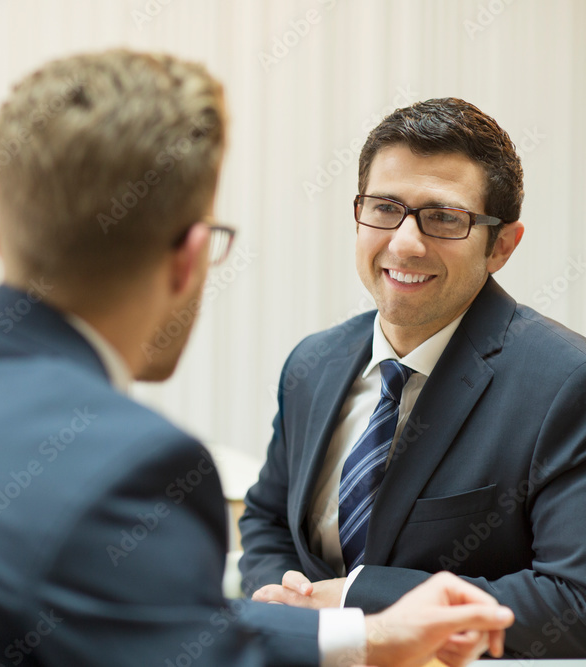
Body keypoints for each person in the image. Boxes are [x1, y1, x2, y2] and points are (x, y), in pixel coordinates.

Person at [0, 53, 513, 667]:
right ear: (189, 257)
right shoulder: (128, 465)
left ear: (3, 239)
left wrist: (364, 637)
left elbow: (165, 625)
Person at [239, 97, 586, 659]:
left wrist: (352, 599)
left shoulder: (568, 381)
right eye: (384, 208)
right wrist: (282, 598)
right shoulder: (314, 362)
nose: (404, 243)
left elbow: (574, 601)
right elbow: (267, 517)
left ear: (501, 245)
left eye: (444, 217)